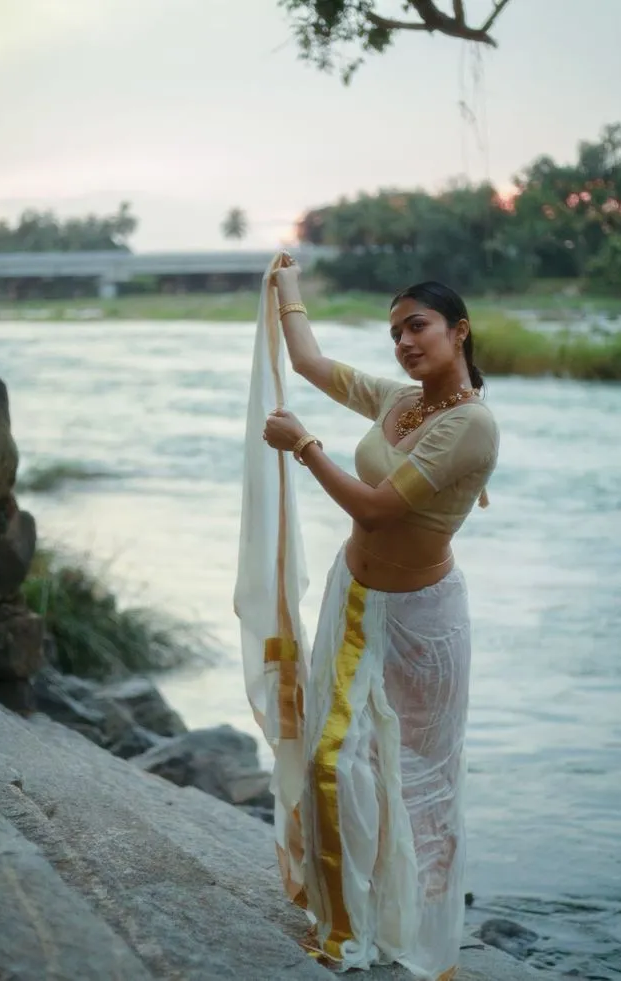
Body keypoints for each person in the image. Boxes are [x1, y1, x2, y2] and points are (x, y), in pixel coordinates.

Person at [261, 256, 499, 979]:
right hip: (357, 596)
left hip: (422, 622)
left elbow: (376, 505)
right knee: (339, 756)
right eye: (394, 330)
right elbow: (308, 363)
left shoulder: (470, 426)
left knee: (421, 776)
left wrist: (304, 447)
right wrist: (286, 282)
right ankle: (344, 923)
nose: (403, 341)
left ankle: (415, 931)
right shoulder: (399, 401)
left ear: (458, 331)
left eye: (417, 325)